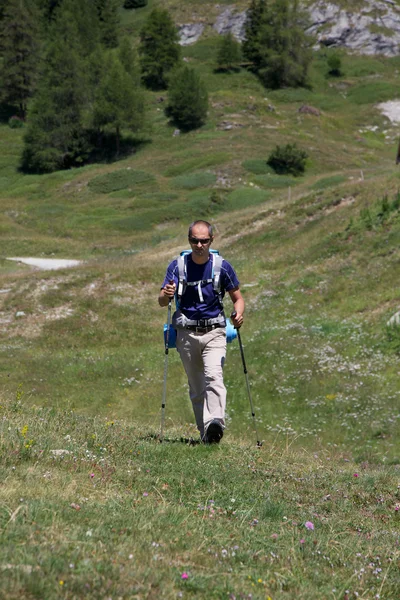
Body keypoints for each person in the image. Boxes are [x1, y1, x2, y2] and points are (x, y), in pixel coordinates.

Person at [159, 220, 244, 443]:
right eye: (195, 240)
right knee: (197, 387)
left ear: (211, 241)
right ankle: (205, 433)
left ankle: (215, 422)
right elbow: (161, 301)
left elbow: (238, 298)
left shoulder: (222, 266)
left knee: (214, 376)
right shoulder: (177, 266)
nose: (199, 245)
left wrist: (238, 313)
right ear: (189, 241)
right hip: (186, 333)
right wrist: (167, 293)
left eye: (203, 241)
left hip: (215, 331)